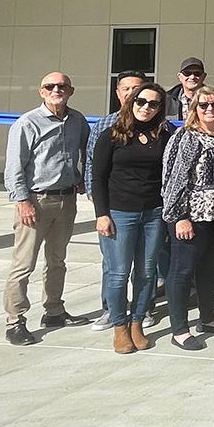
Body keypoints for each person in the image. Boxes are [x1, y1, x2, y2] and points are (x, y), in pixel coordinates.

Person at [3, 72, 92, 346]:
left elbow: (86, 152)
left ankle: (54, 311)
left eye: (62, 86)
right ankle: (15, 321)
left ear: (71, 90)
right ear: (41, 92)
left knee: (57, 261)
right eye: (50, 86)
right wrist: (22, 200)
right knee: (23, 264)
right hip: (35, 201)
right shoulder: (27, 123)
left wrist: (81, 178)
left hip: (66, 201)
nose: (56, 90)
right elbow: (14, 166)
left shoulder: (77, 120)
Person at [92, 81, 171, 354]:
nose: (146, 108)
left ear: (160, 108)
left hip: (154, 213)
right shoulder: (112, 136)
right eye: (141, 101)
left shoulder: (163, 136)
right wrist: (102, 214)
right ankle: (119, 327)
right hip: (119, 213)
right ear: (131, 102)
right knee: (118, 274)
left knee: (147, 273)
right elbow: (98, 178)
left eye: (153, 104)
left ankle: (137, 322)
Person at [162, 85, 214, 351]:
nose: (209, 109)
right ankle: (179, 329)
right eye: (203, 105)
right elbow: (173, 180)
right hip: (191, 217)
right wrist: (179, 217)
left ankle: (208, 319)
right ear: (194, 108)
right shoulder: (186, 137)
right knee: (182, 272)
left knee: (210, 269)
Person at [86, 70, 146, 332]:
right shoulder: (104, 125)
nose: (132, 94)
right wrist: (99, 206)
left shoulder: (157, 126)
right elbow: (93, 165)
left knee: (146, 266)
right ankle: (111, 311)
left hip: (149, 208)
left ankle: (142, 312)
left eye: (138, 89)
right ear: (118, 93)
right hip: (115, 207)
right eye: (127, 89)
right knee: (114, 265)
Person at [166, 56, 207, 122]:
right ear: (180, 76)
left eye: (197, 73)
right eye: (187, 73)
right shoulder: (167, 100)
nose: (192, 77)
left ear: (204, 76)